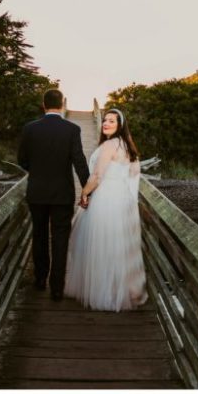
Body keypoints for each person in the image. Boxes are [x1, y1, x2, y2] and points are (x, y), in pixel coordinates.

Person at [64, 107, 147, 312]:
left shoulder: (110, 145)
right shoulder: (128, 147)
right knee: (115, 246)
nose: (106, 123)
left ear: (120, 126)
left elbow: (97, 176)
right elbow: (134, 174)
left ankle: (105, 293)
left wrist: (84, 193)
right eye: (105, 120)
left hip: (106, 199)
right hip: (122, 200)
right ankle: (117, 290)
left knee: (101, 243)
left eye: (112, 121)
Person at [17, 88, 90, 300]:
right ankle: (57, 287)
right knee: (60, 238)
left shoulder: (30, 128)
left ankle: (40, 279)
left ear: (43, 104)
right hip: (62, 194)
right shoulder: (72, 129)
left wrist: (38, 171)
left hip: (37, 192)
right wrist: (87, 189)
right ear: (62, 106)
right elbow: (79, 161)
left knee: (39, 235)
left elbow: (22, 159)